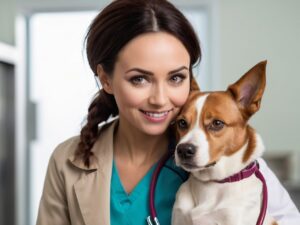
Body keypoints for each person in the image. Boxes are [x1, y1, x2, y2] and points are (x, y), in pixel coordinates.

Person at [36, 0, 300, 225]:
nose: (160, 99)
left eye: (175, 78)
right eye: (139, 79)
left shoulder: (236, 167)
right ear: (105, 79)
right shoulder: (67, 161)